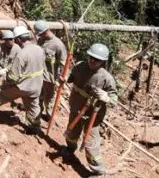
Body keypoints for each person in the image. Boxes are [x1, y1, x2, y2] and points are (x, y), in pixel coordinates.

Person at [0, 26, 45, 134]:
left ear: (19, 39)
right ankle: (35, 127)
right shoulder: (39, 49)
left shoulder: (22, 54)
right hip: (36, 86)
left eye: (15, 39)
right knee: (33, 107)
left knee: (0, 96)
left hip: (22, 87)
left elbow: (13, 77)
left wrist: (4, 80)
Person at [62, 43, 117, 176]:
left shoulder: (106, 78)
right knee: (71, 134)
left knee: (91, 144)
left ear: (103, 61)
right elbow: (71, 78)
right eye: (91, 57)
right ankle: (70, 150)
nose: (92, 61)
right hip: (76, 108)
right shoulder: (80, 66)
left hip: (92, 115)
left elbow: (114, 100)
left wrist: (106, 97)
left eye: (96, 60)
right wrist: (64, 80)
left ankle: (99, 171)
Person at [34, 20, 67, 120]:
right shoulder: (40, 41)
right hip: (39, 75)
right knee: (38, 96)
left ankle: (49, 117)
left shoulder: (58, 45)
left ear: (45, 32)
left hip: (50, 78)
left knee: (49, 99)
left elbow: (63, 64)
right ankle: (37, 115)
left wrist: (60, 78)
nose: (40, 36)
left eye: (41, 34)